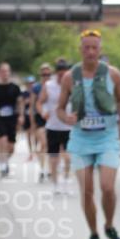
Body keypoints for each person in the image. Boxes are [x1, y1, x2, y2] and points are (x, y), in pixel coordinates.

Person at [57, 30, 120, 239]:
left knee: (107, 187)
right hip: (81, 140)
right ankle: (93, 234)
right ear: (80, 50)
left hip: (107, 137)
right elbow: (59, 108)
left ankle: (109, 225)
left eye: (94, 47)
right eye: (86, 47)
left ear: (100, 49)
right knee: (87, 191)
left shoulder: (113, 74)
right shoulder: (69, 77)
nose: (90, 51)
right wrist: (65, 118)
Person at [39, 58, 72, 193]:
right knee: (54, 158)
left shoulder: (73, 84)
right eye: (60, 73)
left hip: (68, 126)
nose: (62, 75)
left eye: (64, 72)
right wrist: (43, 112)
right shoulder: (49, 85)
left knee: (68, 157)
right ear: (56, 73)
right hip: (52, 126)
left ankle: (65, 181)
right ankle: (55, 184)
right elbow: (39, 102)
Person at [0, 62, 23, 177]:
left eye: (7, 71)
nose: (5, 73)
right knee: (2, 140)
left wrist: (21, 116)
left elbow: (20, 102)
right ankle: (2, 165)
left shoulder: (15, 88)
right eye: (3, 71)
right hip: (0, 119)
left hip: (12, 120)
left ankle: (4, 160)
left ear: (9, 72)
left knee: (11, 147)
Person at [31, 63, 52, 181]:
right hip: (40, 118)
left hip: (53, 118)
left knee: (50, 145)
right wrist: (32, 121)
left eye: (48, 74)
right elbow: (33, 105)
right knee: (43, 143)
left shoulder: (54, 86)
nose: (46, 76)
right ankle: (43, 168)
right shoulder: (36, 88)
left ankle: (49, 167)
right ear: (40, 75)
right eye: (44, 74)